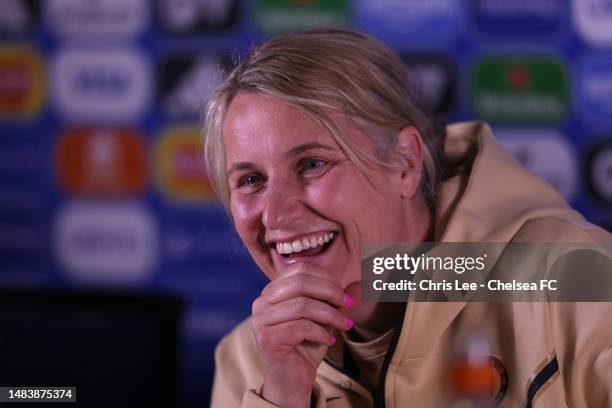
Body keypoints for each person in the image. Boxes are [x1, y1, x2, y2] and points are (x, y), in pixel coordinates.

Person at [204, 27, 612, 407]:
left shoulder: (577, 283)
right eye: (251, 180)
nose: (275, 213)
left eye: (311, 164)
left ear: (405, 163)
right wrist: (281, 397)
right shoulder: (246, 361)